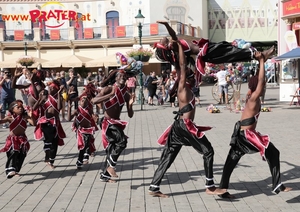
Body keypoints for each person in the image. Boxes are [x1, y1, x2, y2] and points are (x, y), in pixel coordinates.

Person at [148, 40, 226, 198]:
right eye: (189, 74)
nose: (192, 75)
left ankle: (154, 187)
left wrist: (175, 49)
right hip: (185, 126)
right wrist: (178, 46)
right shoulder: (182, 87)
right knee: (208, 151)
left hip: (178, 126)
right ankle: (210, 186)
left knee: (168, 155)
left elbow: (179, 66)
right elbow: (181, 67)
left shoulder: (188, 88)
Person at [218, 52, 292, 199]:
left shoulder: (253, 97)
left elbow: (259, 79)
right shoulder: (253, 99)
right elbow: (261, 81)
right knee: (273, 153)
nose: (263, 87)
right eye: (261, 85)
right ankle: (277, 184)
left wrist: (261, 61)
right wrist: (263, 62)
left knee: (231, 161)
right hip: (246, 136)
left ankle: (222, 189)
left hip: (243, 134)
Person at [154, 21, 275, 86]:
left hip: (207, 52)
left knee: (230, 51)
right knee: (231, 51)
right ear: (164, 46)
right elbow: (173, 35)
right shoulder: (174, 45)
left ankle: (257, 55)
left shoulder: (174, 48)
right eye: (160, 42)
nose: (161, 39)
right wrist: (166, 25)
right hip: (207, 52)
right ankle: (260, 55)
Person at [92, 69, 134, 183]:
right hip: (107, 122)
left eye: (124, 76)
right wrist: (110, 95)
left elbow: (130, 115)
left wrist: (130, 105)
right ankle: (111, 167)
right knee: (122, 142)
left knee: (111, 150)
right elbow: (94, 100)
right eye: (120, 76)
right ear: (115, 78)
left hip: (117, 122)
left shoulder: (126, 94)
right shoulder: (108, 89)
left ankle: (104, 176)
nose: (123, 78)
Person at [33, 80, 66, 169]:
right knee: (48, 140)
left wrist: (59, 93)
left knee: (55, 143)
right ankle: (47, 155)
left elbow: (59, 107)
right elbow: (34, 108)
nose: (50, 88)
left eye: (52, 87)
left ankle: (51, 161)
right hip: (46, 122)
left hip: (55, 123)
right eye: (50, 87)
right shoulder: (46, 97)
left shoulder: (59, 97)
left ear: (56, 89)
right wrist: (40, 99)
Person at [0, 100, 34, 178]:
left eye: (21, 107)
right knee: (13, 152)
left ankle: (15, 170)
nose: (20, 109)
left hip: (22, 139)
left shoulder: (25, 117)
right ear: (12, 109)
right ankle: (10, 170)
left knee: (22, 154)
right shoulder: (9, 118)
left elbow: (33, 123)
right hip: (13, 139)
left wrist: (31, 116)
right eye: (18, 107)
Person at [68, 90, 98, 170]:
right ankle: (81, 160)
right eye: (82, 100)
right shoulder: (77, 110)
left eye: (85, 100)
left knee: (87, 143)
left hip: (88, 129)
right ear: (79, 102)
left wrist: (96, 118)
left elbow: (93, 117)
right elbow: (68, 118)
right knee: (83, 145)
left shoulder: (89, 109)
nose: (83, 101)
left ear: (88, 103)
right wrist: (69, 109)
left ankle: (81, 159)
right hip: (80, 130)